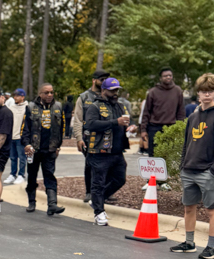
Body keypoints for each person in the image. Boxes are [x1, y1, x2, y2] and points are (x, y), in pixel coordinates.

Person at [170, 73, 214, 259]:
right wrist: (183, 165)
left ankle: (211, 248)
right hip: (188, 170)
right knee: (189, 208)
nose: (207, 94)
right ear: (198, 93)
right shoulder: (193, 117)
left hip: (208, 172)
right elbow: (186, 144)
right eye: (203, 91)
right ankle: (189, 243)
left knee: (212, 210)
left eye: (210, 91)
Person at [83, 77, 135, 227]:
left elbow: (127, 122)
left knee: (120, 179)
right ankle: (99, 212)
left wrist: (131, 127)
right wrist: (115, 122)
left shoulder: (120, 106)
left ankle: (96, 200)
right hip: (99, 151)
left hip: (117, 151)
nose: (115, 93)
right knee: (98, 183)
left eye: (117, 90)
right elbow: (91, 124)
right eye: (112, 90)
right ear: (104, 90)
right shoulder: (95, 106)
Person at [22, 84, 65, 215]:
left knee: (50, 176)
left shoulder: (58, 107)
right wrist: (26, 144)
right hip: (34, 149)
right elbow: (25, 129)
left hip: (50, 149)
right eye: (46, 93)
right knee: (32, 176)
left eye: (51, 92)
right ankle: (31, 202)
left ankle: (52, 204)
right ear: (40, 94)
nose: (49, 95)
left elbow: (62, 128)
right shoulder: (30, 107)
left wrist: (58, 146)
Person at [71, 69, 106, 202]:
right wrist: (79, 138)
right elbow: (78, 119)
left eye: (106, 80)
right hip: (88, 136)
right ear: (94, 80)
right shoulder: (84, 97)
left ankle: (105, 192)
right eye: (101, 80)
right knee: (90, 164)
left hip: (105, 136)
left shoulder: (107, 96)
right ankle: (89, 192)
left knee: (106, 165)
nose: (104, 82)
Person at [140, 67, 185, 156]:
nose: (168, 77)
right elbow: (146, 112)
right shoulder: (152, 92)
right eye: (165, 76)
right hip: (154, 128)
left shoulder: (178, 91)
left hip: (171, 127)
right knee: (154, 155)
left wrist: (181, 128)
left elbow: (181, 112)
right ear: (160, 78)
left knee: (170, 156)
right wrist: (143, 130)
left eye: (170, 75)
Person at [4, 89, 28, 184]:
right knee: (13, 158)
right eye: (14, 96)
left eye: (17, 96)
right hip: (12, 136)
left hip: (21, 137)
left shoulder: (27, 107)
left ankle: (21, 175)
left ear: (22, 97)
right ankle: (12, 174)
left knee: (22, 158)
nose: (15, 97)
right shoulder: (12, 107)